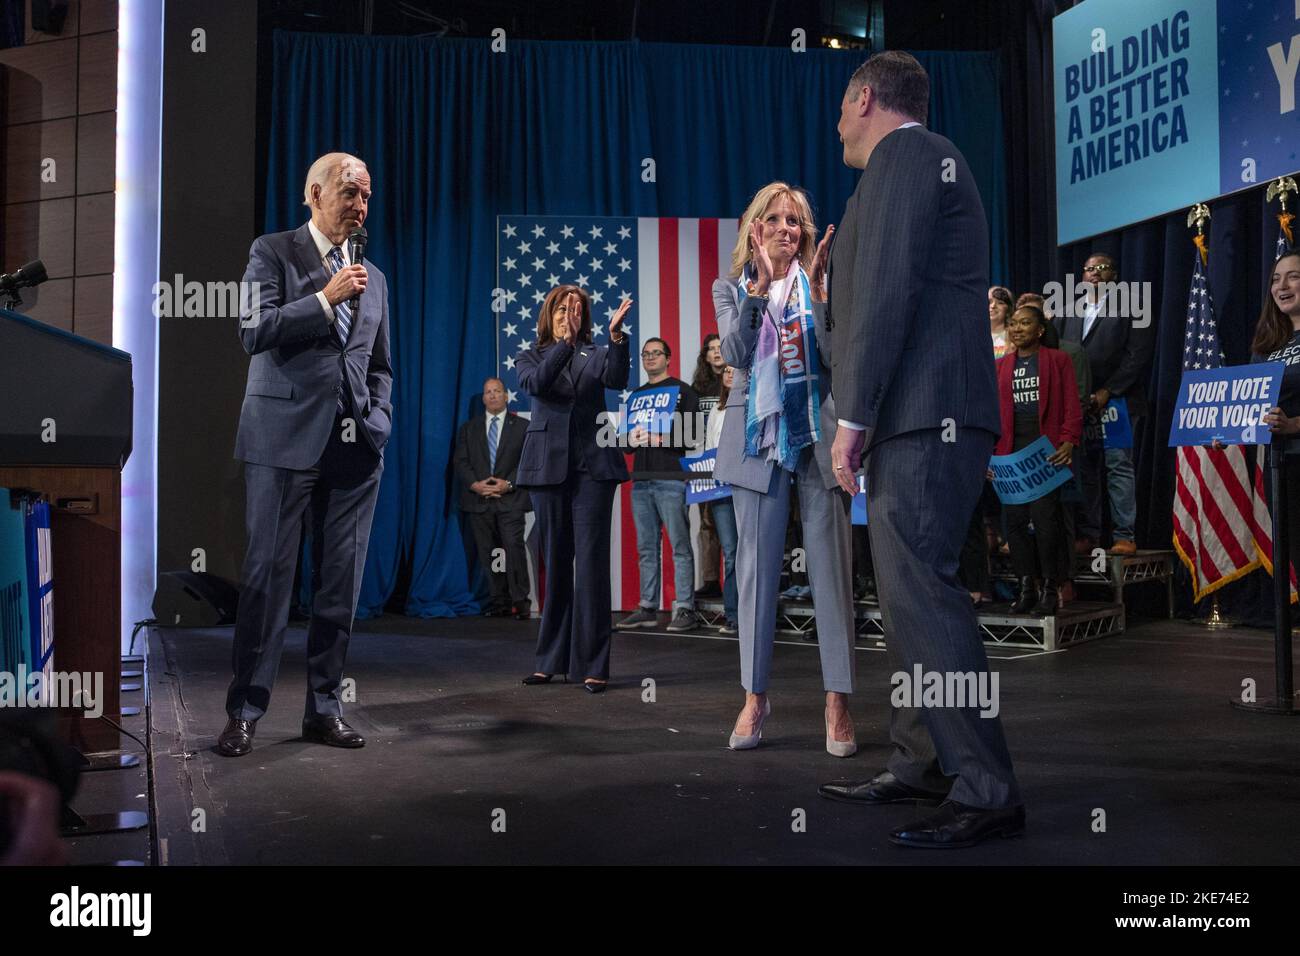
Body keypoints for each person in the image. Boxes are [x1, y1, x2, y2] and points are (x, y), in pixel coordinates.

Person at [820, 51, 1024, 847]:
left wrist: (852, 416)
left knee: (927, 594)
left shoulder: (910, 155)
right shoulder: (906, 167)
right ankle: (921, 763)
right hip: (918, 414)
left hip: (923, 412)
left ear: (865, 96)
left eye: (842, 104)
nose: (837, 122)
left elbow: (888, 293)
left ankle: (985, 785)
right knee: (907, 595)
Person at [219, 152, 392, 757]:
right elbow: (252, 330)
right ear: (314, 192)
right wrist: (324, 298)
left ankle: (325, 709)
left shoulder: (375, 277)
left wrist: (379, 418)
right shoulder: (273, 252)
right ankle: (245, 710)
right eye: (350, 193)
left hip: (354, 449)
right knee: (267, 581)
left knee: (339, 587)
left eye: (367, 196)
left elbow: (379, 365)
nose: (360, 206)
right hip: (281, 440)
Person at [713, 181, 857, 758]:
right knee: (755, 575)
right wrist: (758, 293)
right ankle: (755, 696)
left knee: (831, 571)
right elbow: (735, 354)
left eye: (794, 220)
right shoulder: (730, 290)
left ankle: (838, 699)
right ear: (755, 230)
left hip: (818, 436)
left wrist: (819, 296)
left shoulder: (822, 287)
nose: (784, 228)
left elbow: (836, 354)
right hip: (756, 438)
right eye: (773, 219)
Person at [515, 285, 632, 693]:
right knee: (556, 565)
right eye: (563, 309)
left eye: (578, 309)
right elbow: (540, 384)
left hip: (593, 471)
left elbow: (617, 378)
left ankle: (593, 664)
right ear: (550, 314)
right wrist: (563, 344)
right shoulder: (530, 355)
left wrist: (617, 339)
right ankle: (549, 661)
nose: (570, 315)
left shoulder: (597, 352)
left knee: (592, 568)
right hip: (546, 470)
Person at [1055, 252, 1153, 556]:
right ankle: (1089, 535)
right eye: (1089, 269)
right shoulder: (1068, 311)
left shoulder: (1132, 306)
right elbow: (1059, 354)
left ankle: (1125, 534)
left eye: (1102, 268)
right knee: (1085, 470)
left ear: (1114, 275)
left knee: (1118, 466)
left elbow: (1137, 355)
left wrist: (1108, 390)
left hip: (1118, 401)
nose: (1095, 273)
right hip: (1078, 403)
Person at [993, 304, 1081, 615]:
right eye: (1014, 324)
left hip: (1046, 452)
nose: (1017, 329)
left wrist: (1069, 440)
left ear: (1040, 329)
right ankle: (1026, 587)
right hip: (1009, 455)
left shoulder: (1058, 361)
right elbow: (992, 416)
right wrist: (990, 458)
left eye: (1025, 323)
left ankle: (1049, 587)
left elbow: (1072, 404)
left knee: (1046, 524)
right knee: (1014, 525)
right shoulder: (1000, 366)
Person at [615, 338, 702, 633]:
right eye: (646, 354)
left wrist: (659, 439)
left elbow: (694, 436)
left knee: (679, 546)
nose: (650, 358)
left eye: (656, 353)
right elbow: (623, 444)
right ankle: (647, 607)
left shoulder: (684, 392)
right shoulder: (636, 396)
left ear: (668, 358)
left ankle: (685, 609)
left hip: (671, 480)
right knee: (646, 548)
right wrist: (631, 439)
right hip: (640, 481)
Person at [454, 377, 531, 620]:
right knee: (491, 553)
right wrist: (475, 485)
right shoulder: (469, 428)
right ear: (484, 398)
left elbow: (528, 462)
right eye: (488, 392)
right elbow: (461, 461)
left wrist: (508, 484)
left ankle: (521, 601)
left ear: (506, 396)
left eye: (497, 391)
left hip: (511, 500)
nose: (493, 395)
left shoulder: (523, 426)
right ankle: (500, 602)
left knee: (513, 549)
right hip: (480, 502)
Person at [1250, 250, 1300, 579]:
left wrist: (1294, 424)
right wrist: (1224, 431)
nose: (1282, 285)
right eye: (1275, 279)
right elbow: (1250, 404)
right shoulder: (1267, 345)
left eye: (1293, 276)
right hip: (1280, 467)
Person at [704, 364, 739, 633]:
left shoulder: (750, 404)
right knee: (731, 550)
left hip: (746, 486)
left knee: (749, 550)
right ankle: (733, 614)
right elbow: (708, 449)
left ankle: (752, 612)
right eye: (725, 370)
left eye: (734, 369)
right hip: (721, 489)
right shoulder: (716, 410)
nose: (729, 373)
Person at [691, 334, 726, 600]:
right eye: (710, 349)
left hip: (731, 462)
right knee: (707, 524)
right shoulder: (697, 388)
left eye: (720, 347)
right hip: (704, 463)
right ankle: (711, 579)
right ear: (705, 356)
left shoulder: (736, 381)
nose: (716, 353)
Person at [989, 286, 1013, 359]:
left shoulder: (1014, 337)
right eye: (989, 302)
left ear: (1008, 309)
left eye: (1000, 303)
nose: (993, 306)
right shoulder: (975, 336)